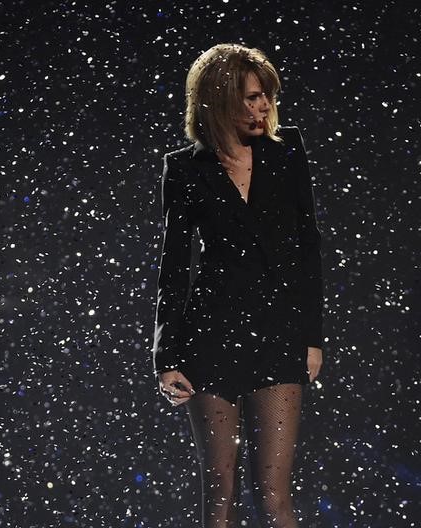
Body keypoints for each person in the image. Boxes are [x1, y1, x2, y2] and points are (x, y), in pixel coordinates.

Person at [151, 43, 324, 527]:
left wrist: (311, 336)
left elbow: (308, 247)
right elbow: (173, 266)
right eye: (252, 97)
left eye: (267, 95)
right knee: (219, 490)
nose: (264, 106)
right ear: (219, 99)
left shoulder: (287, 152)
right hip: (210, 335)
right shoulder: (185, 168)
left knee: (272, 493)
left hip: (278, 331)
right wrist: (167, 358)